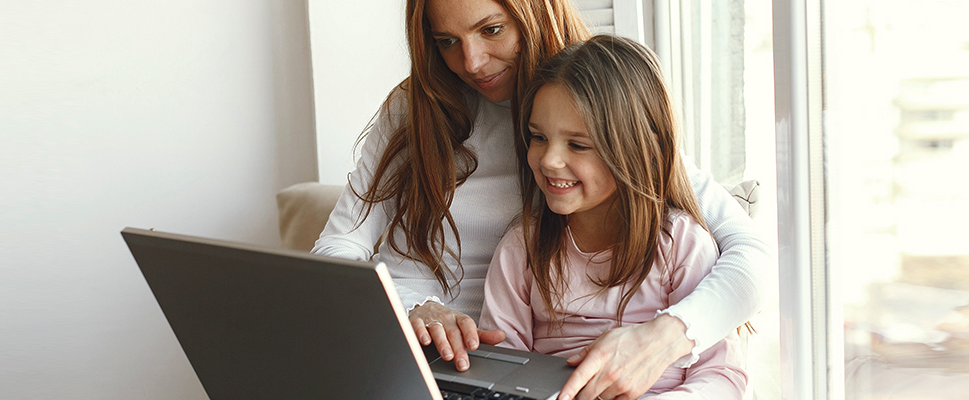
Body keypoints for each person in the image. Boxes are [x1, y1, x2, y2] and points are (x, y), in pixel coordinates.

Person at [313, 0, 771, 399]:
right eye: (446, 40)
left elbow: (750, 258)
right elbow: (334, 253)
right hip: (411, 348)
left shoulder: (601, 102)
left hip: (484, 363)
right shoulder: (414, 110)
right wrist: (411, 306)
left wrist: (665, 337)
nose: (470, 61)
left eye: (491, 30)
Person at [481, 34, 748, 400]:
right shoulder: (522, 248)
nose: (548, 160)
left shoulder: (680, 244)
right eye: (537, 137)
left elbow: (723, 377)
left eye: (577, 144)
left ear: (643, 149)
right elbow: (500, 368)